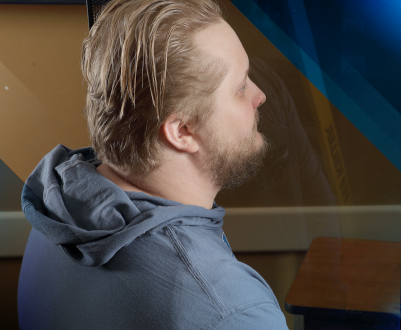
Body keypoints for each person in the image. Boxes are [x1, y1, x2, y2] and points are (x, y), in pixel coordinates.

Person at [17, 0, 289, 328]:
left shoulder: (57, 208)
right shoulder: (231, 310)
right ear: (182, 131)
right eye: (241, 87)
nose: (259, 96)